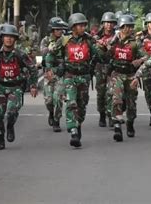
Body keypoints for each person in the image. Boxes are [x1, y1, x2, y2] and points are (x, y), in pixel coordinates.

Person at [46, 13, 99, 148]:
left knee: (81, 105)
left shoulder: (89, 40)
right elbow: (50, 55)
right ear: (73, 27)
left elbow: (99, 55)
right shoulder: (64, 40)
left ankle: (78, 124)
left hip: (84, 77)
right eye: (80, 25)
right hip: (69, 76)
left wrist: (103, 48)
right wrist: (51, 69)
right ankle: (73, 130)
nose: (83, 27)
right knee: (71, 103)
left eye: (84, 25)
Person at [0, 24, 38, 150]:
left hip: (16, 87)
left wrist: (33, 85)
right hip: (0, 87)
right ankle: (0, 139)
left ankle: (10, 126)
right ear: (2, 38)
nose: (9, 39)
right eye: (6, 36)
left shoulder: (20, 54)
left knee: (12, 112)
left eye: (12, 37)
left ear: (15, 39)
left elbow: (33, 69)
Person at [106, 15, 146, 142]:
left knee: (131, 102)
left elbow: (147, 56)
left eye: (131, 27)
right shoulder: (114, 41)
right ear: (121, 27)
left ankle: (130, 123)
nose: (129, 29)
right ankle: (117, 125)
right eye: (126, 27)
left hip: (130, 75)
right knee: (116, 99)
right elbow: (105, 53)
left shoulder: (135, 43)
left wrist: (139, 60)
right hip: (117, 74)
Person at [40, 17, 67, 132]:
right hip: (49, 72)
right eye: (57, 29)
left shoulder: (65, 40)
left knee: (58, 98)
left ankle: (57, 120)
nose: (60, 31)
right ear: (52, 30)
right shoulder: (46, 40)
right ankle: (51, 112)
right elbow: (42, 51)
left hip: (60, 73)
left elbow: (69, 55)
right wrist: (48, 49)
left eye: (61, 29)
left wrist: (64, 65)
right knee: (49, 100)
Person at [136, 12, 151, 127]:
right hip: (146, 67)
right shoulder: (140, 37)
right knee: (148, 92)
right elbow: (137, 50)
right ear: (147, 24)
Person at [94, 12, 117, 128]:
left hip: (112, 67)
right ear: (103, 24)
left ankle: (111, 115)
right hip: (100, 67)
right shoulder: (97, 37)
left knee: (112, 92)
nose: (109, 25)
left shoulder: (117, 37)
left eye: (111, 23)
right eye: (107, 22)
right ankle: (102, 114)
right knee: (101, 93)